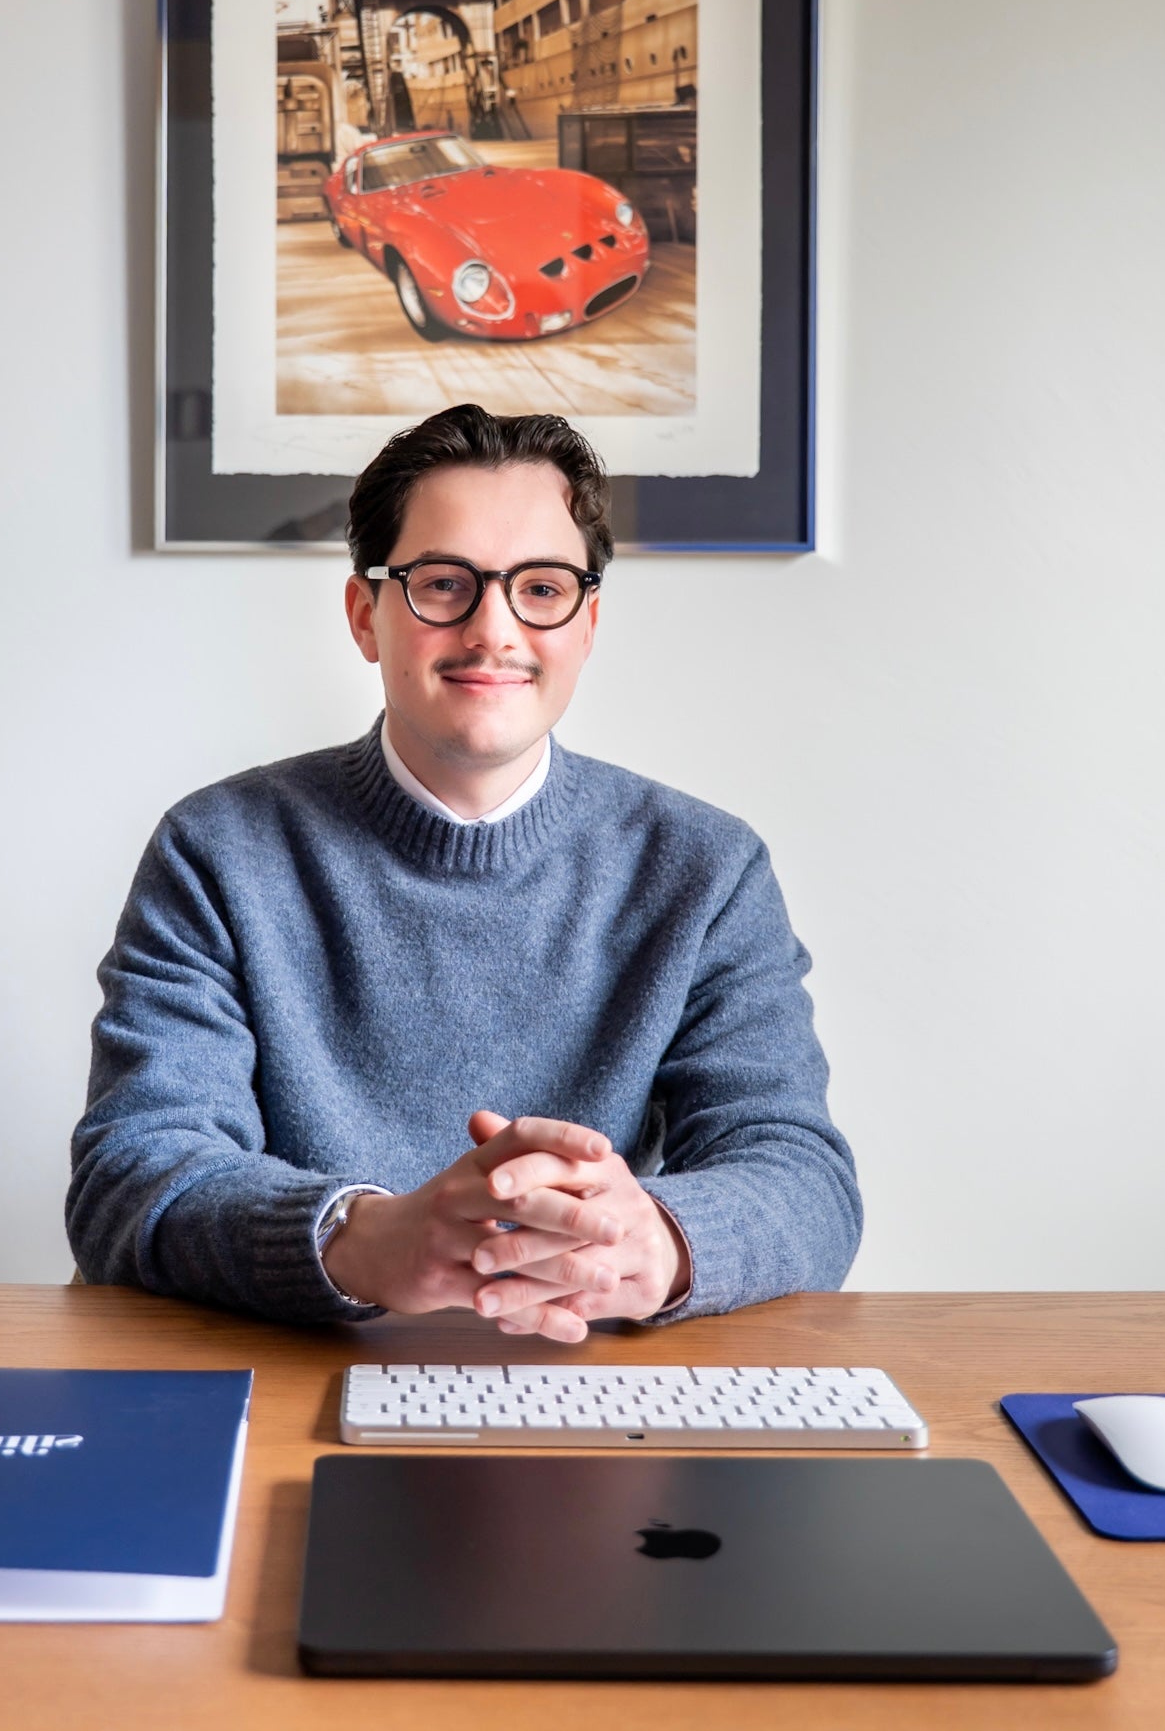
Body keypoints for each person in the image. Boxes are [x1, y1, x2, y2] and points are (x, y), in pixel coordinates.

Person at [67, 407, 861, 1341]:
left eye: (541, 587)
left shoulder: (705, 868)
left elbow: (801, 1174)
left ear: (587, 622)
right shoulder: (216, 849)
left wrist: (658, 1241)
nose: (493, 630)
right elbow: (131, 1171)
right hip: (280, 1367)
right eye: (443, 583)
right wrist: (361, 1235)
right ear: (365, 615)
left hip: (584, 1374)